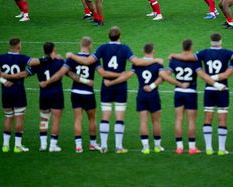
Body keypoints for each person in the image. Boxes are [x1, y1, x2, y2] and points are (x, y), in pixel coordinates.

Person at [66, 26, 163, 154]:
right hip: (121, 86)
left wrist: (71, 55)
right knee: (119, 116)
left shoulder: (102, 48)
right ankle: (118, 147)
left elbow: (87, 61)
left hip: (106, 85)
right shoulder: (125, 48)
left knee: (105, 116)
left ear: (108, 36)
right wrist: (156, 60)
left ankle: (104, 146)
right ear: (120, 36)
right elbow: (138, 62)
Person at [170, 33, 233, 155]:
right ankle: (221, 149)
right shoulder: (227, 52)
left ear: (211, 41)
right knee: (222, 119)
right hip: (222, 89)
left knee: (208, 118)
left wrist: (174, 55)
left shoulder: (203, 52)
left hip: (209, 89)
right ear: (221, 41)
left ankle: (208, 148)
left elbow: (189, 58)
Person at [104, 43, 189, 154]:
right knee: (156, 121)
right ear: (153, 51)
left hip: (141, 94)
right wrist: (179, 83)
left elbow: (126, 76)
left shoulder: (137, 64)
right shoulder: (157, 64)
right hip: (153, 95)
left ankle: (145, 148)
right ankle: (157, 146)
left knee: (143, 121)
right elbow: (165, 77)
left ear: (143, 51)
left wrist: (111, 83)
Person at [0, 38, 45, 153]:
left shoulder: (1, 57)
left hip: (4, 92)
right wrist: (48, 59)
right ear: (19, 47)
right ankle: (16, 146)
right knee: (18, 117)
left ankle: (4, 146)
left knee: (7, 117)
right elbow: (35, 62)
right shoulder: (22, 57)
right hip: (16, 90)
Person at [2, 42, 77, 152]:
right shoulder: (59, 61)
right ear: (53, 49)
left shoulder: (38, 63)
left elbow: (23, 74)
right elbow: (69, 73)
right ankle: (52, 146)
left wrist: (7, 76)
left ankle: (43, 145)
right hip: (56, 94)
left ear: (44, 51)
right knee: (56, 121)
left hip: (44, 95)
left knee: (44, 119)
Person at [167, 39, 226, 154]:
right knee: (191, 121)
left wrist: (178, 83)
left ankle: (179, 147)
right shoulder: (195, 61)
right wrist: (216, 84)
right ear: (191, 47)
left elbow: (165, 74)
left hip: (178, 92)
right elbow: (203, 75)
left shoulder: (174, 60)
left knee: (178, 119)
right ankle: (192, 147)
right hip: (191, 93)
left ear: (182, 46)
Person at [40, 37, 99, 153]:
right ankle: (92, 144)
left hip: (74, 92)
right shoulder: (93, 59)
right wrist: (88, 81)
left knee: (77, 119)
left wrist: (45, 83)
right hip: (87, 93)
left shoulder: (71, 59)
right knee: (92, 118)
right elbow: (100, 71)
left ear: (80, 44)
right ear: (90, 45)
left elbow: (61, 73)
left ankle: (78, 146)